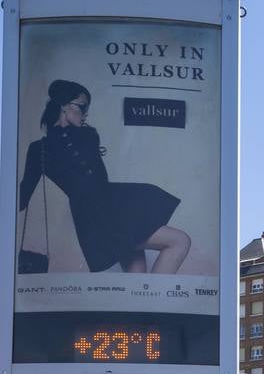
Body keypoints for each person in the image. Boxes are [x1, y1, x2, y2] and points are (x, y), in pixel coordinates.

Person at [19, 79, 191, 274]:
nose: (86, 113)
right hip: (96, 219)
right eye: (82, 107)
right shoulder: (38, 150)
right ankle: (158, 304)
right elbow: (23, 196)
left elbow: (94, 181)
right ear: (63, 106)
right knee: (179, 241)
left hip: (115, 209)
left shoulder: (88, 135)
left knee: (137, 281)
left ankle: (150, 303)